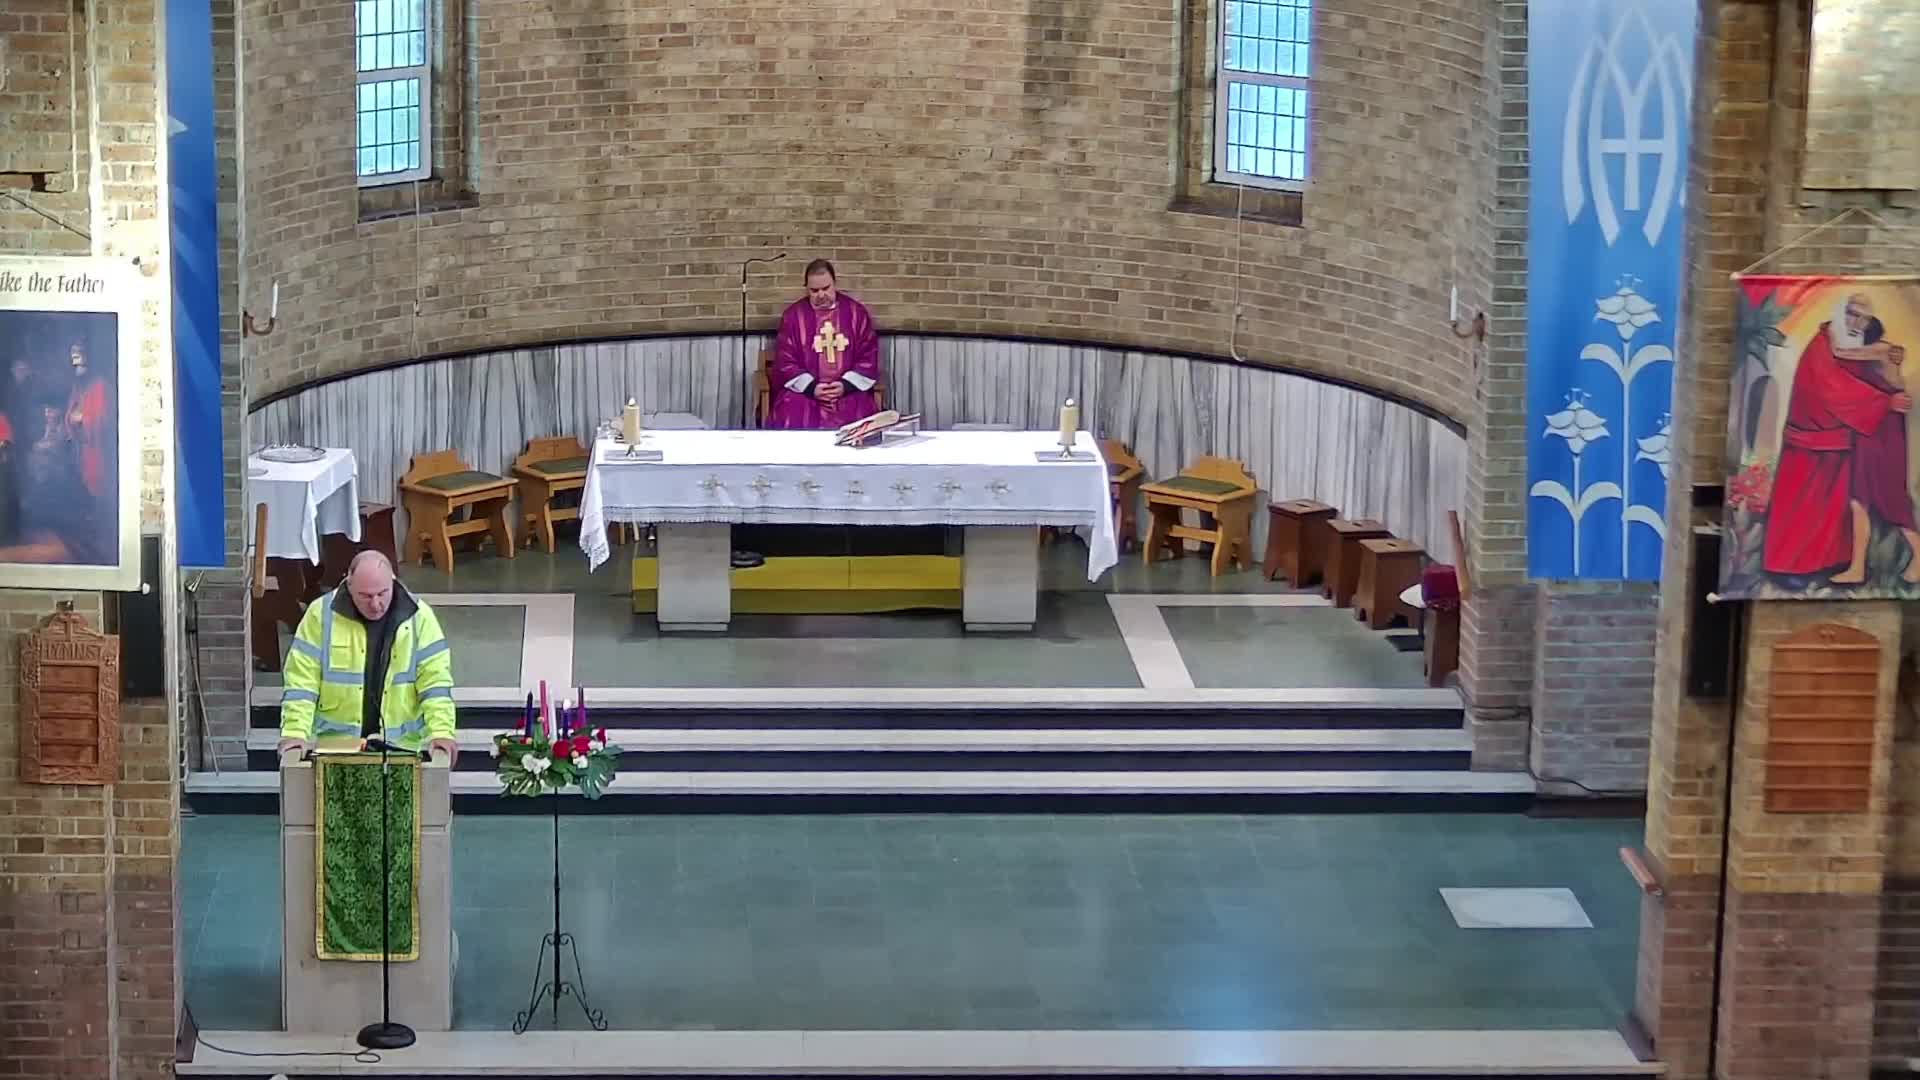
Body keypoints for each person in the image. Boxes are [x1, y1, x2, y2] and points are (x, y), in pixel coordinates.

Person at [1763, 293, 1914, 582]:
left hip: (1846, 440)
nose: (1857, 323)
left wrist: (1890, 365)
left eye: (1864, 318)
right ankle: (1792, 570)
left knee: (1839, 512)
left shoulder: (1858, 346)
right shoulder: (1822, 345)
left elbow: (1875, 376)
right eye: (1852, 314)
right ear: (1839, 313)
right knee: (1805, 512)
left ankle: (1837, 566)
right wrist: (1885, 402)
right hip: (1812, 443)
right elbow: (1832, 388)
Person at [276, 550, 459, 761]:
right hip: (336, 751)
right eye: (365, 596)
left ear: (393, 581)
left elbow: (435, 682)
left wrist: (441, 732)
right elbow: (301, 682)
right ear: (349, 585)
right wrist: (295, 733)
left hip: (401, 751)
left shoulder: (420, 617)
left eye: (382, 593)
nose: (375, 604)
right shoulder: (320, 615)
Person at [1831, 315, 1920, 582]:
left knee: (1890, 496)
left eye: (1857, 325)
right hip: (1869, 429)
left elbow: (1842, 351)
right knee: (1858, 499)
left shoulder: (1880, 349)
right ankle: (1857, 568)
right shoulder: (1877, 353)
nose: (1853, 328)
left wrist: (1828, 336)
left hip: (1885, 432)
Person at [766, 259, 882, 430]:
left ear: (834, 284)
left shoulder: (856, 314)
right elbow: (786, 361)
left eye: (826, 288)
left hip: (847, 392)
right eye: (814, 290)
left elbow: (868, 356)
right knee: (791, 409)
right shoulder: (793, 316)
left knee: (861, 410)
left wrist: (845, 386)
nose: (821, 295)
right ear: (806, 288)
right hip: (807, 394)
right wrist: (812, 388)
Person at [63, 339, 112, 500]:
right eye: (73, 358)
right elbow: (71, 410)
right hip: (81, 449)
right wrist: (71, 418)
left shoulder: (100, 385)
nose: (75, 363)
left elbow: (105, 418)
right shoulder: (78, 386)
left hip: (97, 449)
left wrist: (84, 417)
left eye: (78, 357)